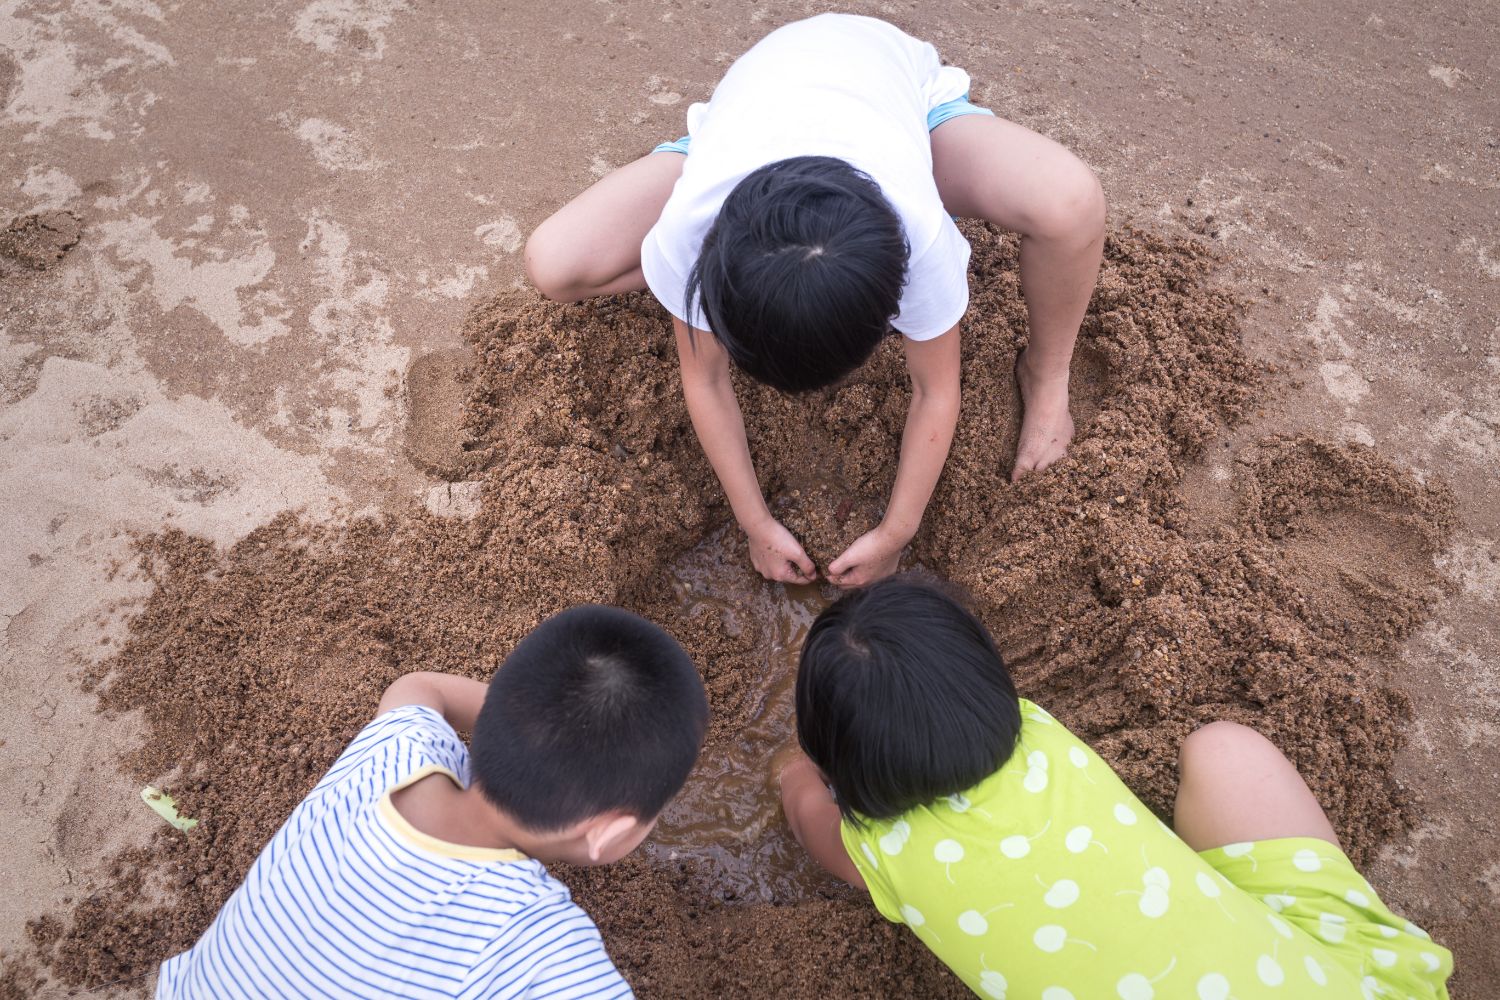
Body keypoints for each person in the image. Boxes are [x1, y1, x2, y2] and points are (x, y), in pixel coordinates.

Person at [525, 13, 1106, 587]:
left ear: (892, 300)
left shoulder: (922, 237)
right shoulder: (691, 226)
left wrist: (897, 532)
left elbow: (935, 388)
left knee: (1071, 203)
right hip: (744, 126)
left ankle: (1047, 374)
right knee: (553, 263)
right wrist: (754, 522)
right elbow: (703, 378)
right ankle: (693, 155)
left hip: (902, 102)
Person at [778, 578, 1454, 999]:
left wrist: (788, 768)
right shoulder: (1039, 736)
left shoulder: (885, 852)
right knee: (1224, 749)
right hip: (1348, 988)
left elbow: (809, 816)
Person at [156, 605, 709, 999]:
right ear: (609, 833)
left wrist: (532, 725)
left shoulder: (393, 754)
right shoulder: (540, 946)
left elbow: (421, 687)